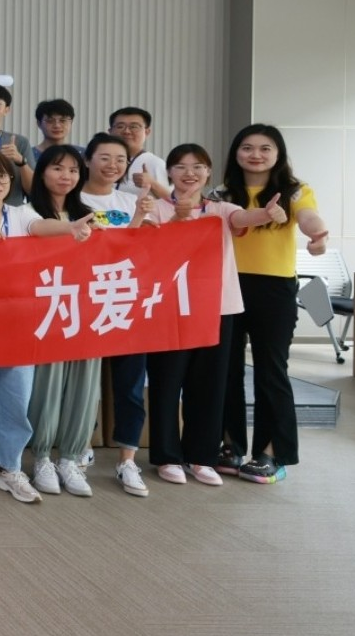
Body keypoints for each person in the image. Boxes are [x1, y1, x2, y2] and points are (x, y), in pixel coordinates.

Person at [0, 151, 92, 504]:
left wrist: (69, 227)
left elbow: (39, 227)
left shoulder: (21, 213)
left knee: (17, 395)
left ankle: (9, 467)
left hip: (20, 320)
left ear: (11, 181)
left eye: (2, 177)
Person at [145, 144, 282, 487]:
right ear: (169, 172)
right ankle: (167, 456)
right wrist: (176, 219)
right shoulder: (157, 208)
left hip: (217, 309)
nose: (189, 173)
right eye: (180, 166)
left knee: (209, 384)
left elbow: (242, 219)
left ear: (208, 172)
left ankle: (201, 456)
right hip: (171, 308)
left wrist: (266, 214)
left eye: (198, 167)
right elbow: (145, 244)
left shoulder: (221, 208)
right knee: (166, 382)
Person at [218, 124, 330, 485]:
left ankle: (269, 454)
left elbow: (308, 216)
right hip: (226, 285)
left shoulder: (294, 191)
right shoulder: (222, 192)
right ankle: (229, 446)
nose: (256, 154)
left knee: (271, 370)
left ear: (278, 154)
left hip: (274, 289)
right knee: (226, 369)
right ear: (236, 153)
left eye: (265, 148)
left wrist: (317, 234)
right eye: (247, 147)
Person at [78, 132, 157, 495]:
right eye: (104, 157)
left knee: (129, 385)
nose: (113, 165)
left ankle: (127, 459)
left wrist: (141, 216)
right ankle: (80, 447)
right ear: (88, 160)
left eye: (120, 160)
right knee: (84, 384)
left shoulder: (133, 201)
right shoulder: (73, 199)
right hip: (84, 301)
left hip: (126, 301)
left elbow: (143, 249)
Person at [25, 144, 102, 498]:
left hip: (87, 309)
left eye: (73, 170)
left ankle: (71, 458)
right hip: (48, 309)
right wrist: (69, 230)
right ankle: (42, 457)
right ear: (42, 173)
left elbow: (117, 253)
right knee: (49, 384)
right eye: (57, 168)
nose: (66, 176)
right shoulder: (26, 211)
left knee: (85, 385)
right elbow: (36, 234)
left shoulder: (92, 215)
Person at [109, 107, 171, 199]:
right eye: (120, 126)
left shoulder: (156, 164)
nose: (126, 131)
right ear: (110, 131)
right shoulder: (100, 161)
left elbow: (174, 202)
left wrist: (152, 184)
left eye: (134, 127)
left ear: (147, 132)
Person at [32, 98, 79, 164]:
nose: (57, 125)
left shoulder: (82, 154)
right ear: (39, 123)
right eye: (50, 121)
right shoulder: (29, 155)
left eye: (63, 121)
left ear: (71, 122)